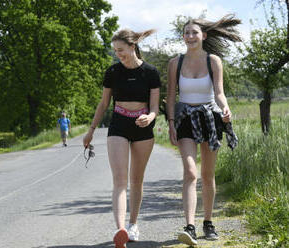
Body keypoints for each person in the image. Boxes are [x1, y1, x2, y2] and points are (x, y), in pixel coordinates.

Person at [166, 14, 241, 246]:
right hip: (185, 119)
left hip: (210, 118)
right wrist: (170, 123)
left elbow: (219, 92)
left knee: (208, 175)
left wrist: (226, 109)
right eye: (187, 33)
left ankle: (208, 223)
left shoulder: (213, 61)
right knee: (190, 172)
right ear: (183, 37)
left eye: (194, 33)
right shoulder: (175, 63)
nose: (190, 36)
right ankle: (190, 226)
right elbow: (170, 96)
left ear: (203, 36)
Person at [83, 28, 161, 248]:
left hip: (142, 126)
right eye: (115, 50)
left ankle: (133, 224)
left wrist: (150, 116)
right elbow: (103, 103)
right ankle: (120, 229)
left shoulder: (151, 72)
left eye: (121, 50)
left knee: (136, 180)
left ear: (132, 47)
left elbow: (155, 106)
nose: (118, 54)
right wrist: (91, 130)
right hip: (119, 124)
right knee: (119, 180)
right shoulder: (113, 72)